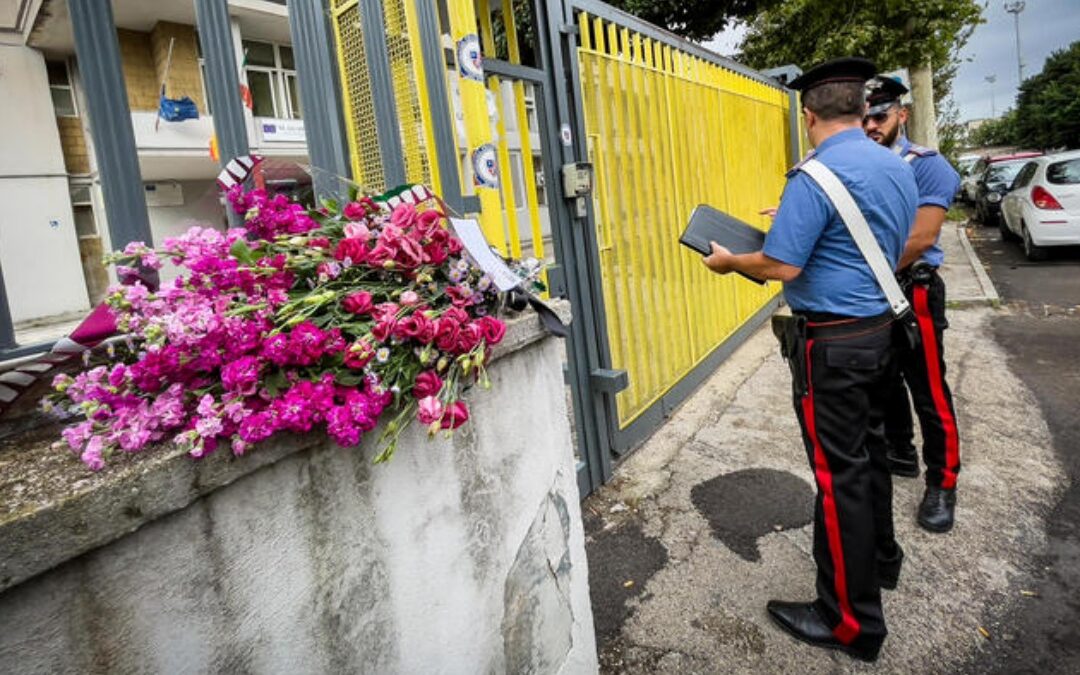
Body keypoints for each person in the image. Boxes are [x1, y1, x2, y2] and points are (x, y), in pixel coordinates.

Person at [702, 57, 918, 662]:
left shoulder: (815, 176)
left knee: (838, 476)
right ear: (862, 107)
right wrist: (795, 228)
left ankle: (851, 622)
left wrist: (731, 261)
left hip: (836, 345)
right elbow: (879, 239)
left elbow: (780, 266)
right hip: (882, 331)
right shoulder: (894, 164)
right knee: (871, 457)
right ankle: (881, 562)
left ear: (809, 114)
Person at [864, 76, 963, 533]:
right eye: (864, 116)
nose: (871, 125)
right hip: (873, 289)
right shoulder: (858, 165)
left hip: (911, 287)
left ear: (901, 115)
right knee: (883, 381)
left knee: (928, 388)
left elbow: (920, 239)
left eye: (880, 115)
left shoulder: (926, 165)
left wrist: (870, 275)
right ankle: (900, 453)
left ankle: (942, 484)